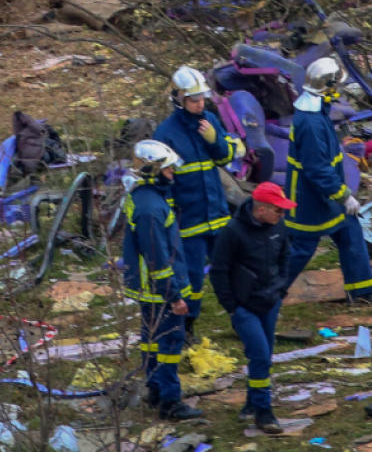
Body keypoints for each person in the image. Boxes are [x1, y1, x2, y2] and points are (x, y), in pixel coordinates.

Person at [284, 57, 372, 303]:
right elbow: (316, 168)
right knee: (302, 249)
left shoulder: (318, 112)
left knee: (350, 233)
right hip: (309, 199)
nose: (338, 91)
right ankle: (266, 294)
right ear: (327, 87)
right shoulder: (310, 122)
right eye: (336, 86)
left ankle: (362, 292)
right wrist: (344, 195)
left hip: (325, 194)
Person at [154, 65, 240, 342]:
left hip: (218, 214)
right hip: (188, 220)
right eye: (193, 100)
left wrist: (215, 141)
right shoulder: (165, 133)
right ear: (178, 98)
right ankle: (187, 325)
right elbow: (161, 181)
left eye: (202, 98)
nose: (200, 104)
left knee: (231, 271)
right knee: (191, 280)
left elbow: (225, 158)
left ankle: (241, 319)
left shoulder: (210, 121)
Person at [121, 140, 203, 421]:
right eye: (167, 170)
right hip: (160, 290)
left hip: (150, 289)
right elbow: (157, 256)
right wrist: (174, 296)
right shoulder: (150, 209)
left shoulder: (144, 197)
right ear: (152, 170)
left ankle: (155, 389)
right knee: (170, 342)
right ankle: (170, 401)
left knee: (151, 340)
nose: (172, 174)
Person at [209, 182, 293, 435]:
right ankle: (263, 411)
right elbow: (218, 271)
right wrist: (232, 307)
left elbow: (286, 258)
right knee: (258, 354)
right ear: (262, 209)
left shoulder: (278, 227)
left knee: (264, 357)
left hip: (270, 302)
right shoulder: (233, 232)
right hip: (245, 307)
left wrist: (280, 289)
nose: (282, 215)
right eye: (278, 210)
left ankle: (250, 402)